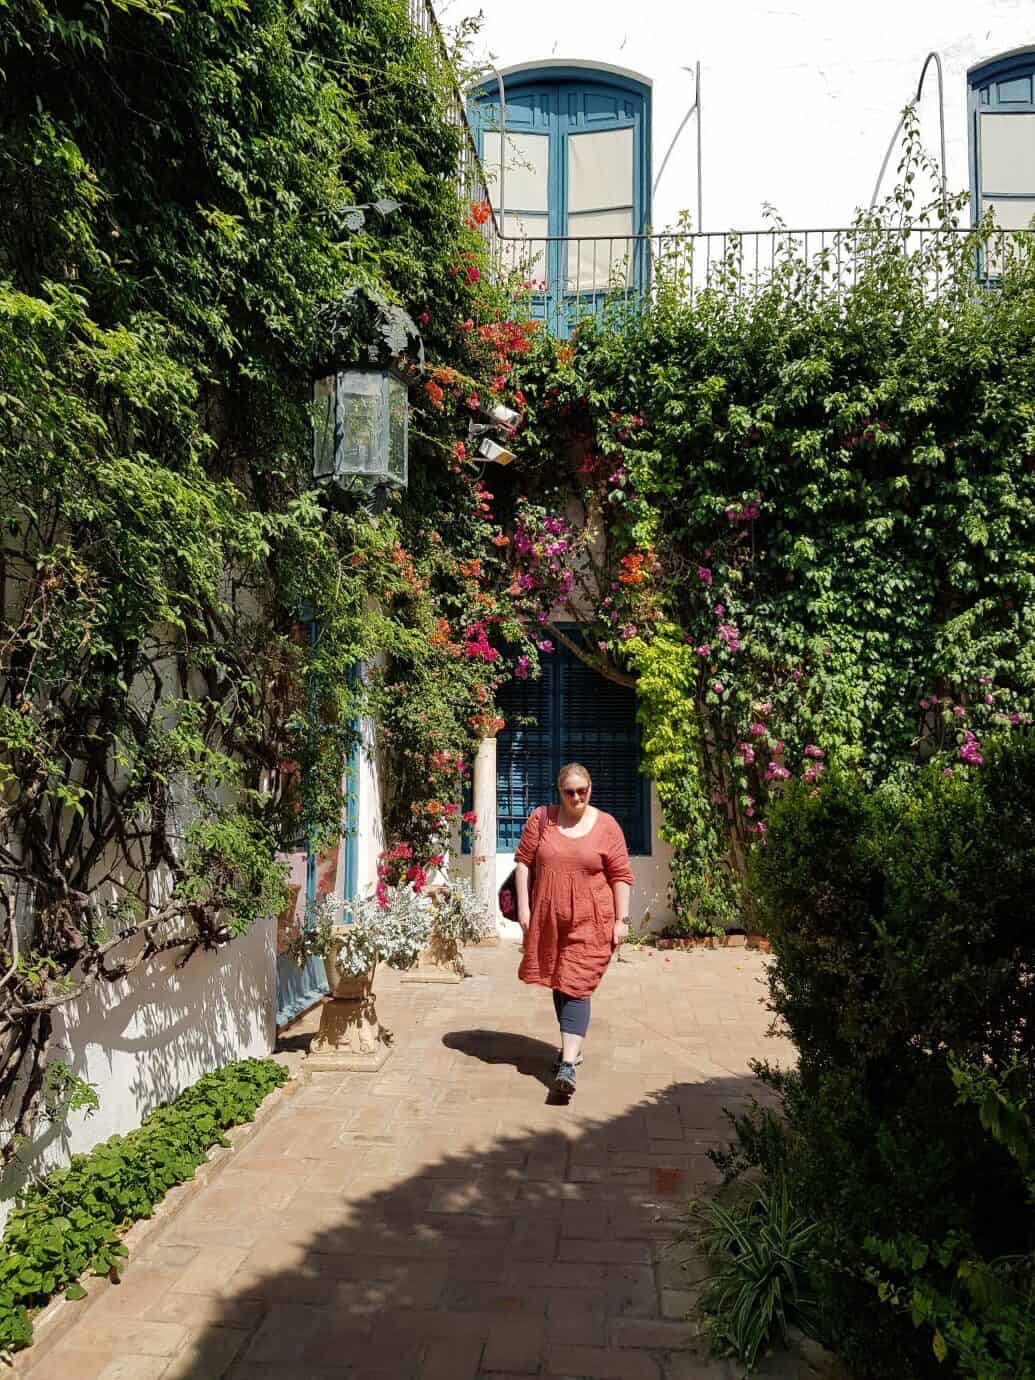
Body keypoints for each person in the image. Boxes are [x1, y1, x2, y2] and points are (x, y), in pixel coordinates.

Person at [514, 762, 634, 1096]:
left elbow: (621, 875)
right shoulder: (542, 819)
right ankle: (573, 1049)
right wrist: (524, 906)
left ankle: (566, 1066)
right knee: (559, 979)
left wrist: (621, 920)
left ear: (590, 789)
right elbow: (523, 863)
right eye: (570, 792)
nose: (577, 797)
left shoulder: (607, 826)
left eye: (583, 790)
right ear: (560, 792)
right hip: (549, 918)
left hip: (592, 920)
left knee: (577, 984)